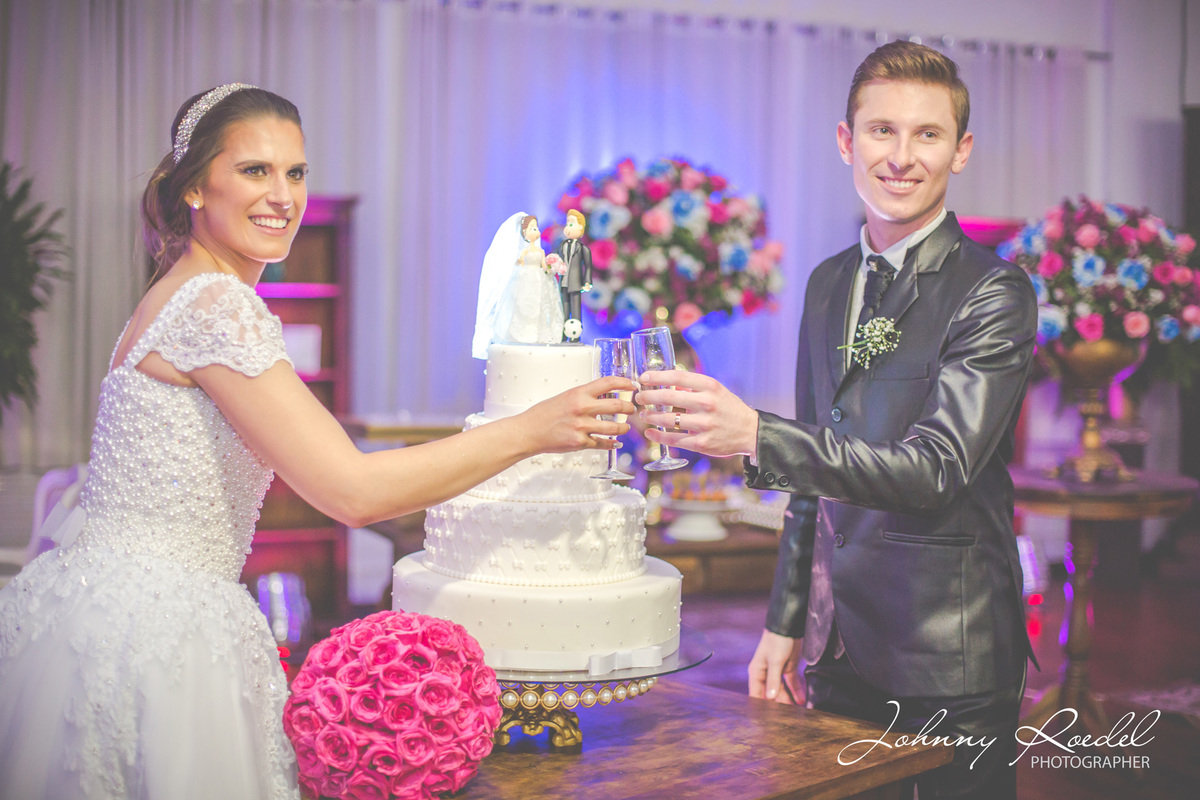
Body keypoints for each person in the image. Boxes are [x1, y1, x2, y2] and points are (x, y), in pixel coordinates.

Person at [0, 84, 633, 800]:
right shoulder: (215, 304)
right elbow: (353, 492)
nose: (283, 196)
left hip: (94, 608)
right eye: (255, 170)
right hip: (158, 637)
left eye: (295, 172)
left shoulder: (177, 291)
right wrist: (532, 429)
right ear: (193, 189)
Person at [635, 42, 1037, 798]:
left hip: (948, 651)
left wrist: (756, 435)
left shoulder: (993, 292)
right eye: (882, 130)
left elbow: (936, 469)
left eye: (927, 134)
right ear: (848, 141)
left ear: (960, 151)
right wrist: (787, 619)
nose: (902, 157)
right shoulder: (827, 283)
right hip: (838, 645)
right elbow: (811, 478)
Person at [492, 214, 566, 344]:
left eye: (536, 228)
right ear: (525, 232)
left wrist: (550, 269)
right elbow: (520, 261)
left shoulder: (540, 251)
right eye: (532, 228)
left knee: (539, 302)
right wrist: (518, 263)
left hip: (538, 278)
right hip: (526, 276)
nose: (536, 231)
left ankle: (536, 332)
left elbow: (543, 265)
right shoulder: (525, 250)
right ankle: (522, 331)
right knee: (524, 302)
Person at [556, 209, 592, 340]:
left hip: (575, 284)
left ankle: (575, 336)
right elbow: (556, 258)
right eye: (567, 224)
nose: (567, 227)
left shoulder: (583, 249)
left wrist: (587, 282)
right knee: (564, 310)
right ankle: (563, 335)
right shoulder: (562, 245)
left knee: (576, 311)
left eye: (571, 224)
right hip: (563, 283)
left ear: (581, 227)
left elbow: (588, 266)